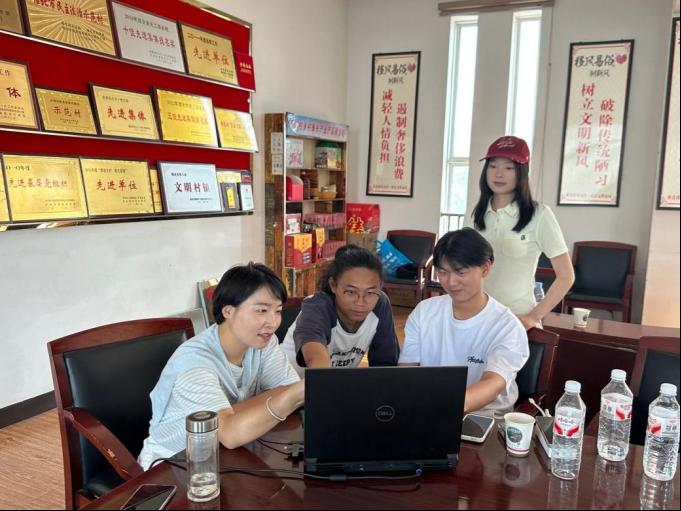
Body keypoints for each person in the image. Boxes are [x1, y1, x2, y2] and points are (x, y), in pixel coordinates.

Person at [138, 263, 303, 470]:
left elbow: (287, 388)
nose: (273, 322)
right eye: (262, 310)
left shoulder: (262, 343)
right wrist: (288, 396)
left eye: (277, 311)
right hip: (173, 465)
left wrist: (233, 416)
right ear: (228, 311)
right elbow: (230, 435)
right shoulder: (193, 364)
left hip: (227, 456)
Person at [399, 228, 528, 415]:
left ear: (485, 268)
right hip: (429, 411)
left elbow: (493, 384)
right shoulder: (424, 312)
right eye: (443, 272)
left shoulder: (506, 326)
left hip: (485, 419)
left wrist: (443, 407)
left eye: (460, 272)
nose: (451, 282)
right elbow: (406, 373)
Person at [471, 135, 575, 330]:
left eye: (508, 168)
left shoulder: (539, 214)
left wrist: (533, 317)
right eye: (493, 166)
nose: (499, 174)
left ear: (522, 172)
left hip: (517, 319)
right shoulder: (475, 213)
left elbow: (566, 276)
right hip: (476, 317)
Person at [281, 244, 399, 376]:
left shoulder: (380, 305)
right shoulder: (318, 307)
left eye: (370, 293)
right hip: (289, 384)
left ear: (380, 287)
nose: (360, 302)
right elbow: (315, 360)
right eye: (351, 292)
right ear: (333, 285)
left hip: (335, 384)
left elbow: (385, 366)